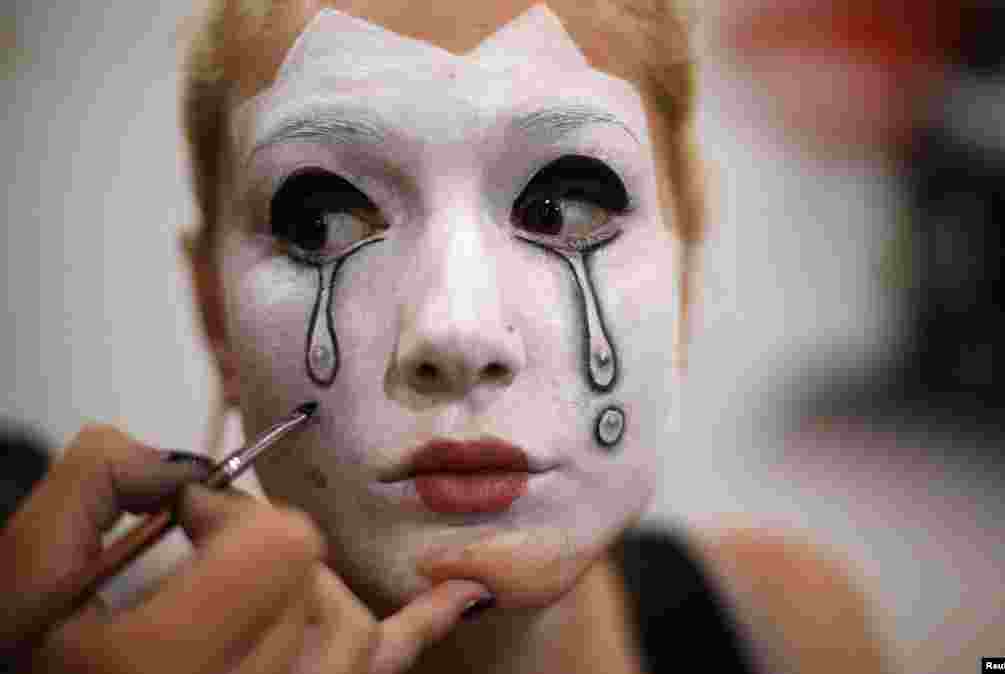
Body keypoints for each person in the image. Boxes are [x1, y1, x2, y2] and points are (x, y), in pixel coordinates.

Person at [1, 1, 889, 672]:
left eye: (567, 206)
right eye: (320, 223)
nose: (456, 336)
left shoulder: (794, 630)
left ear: (687, 268)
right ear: (214, 314)